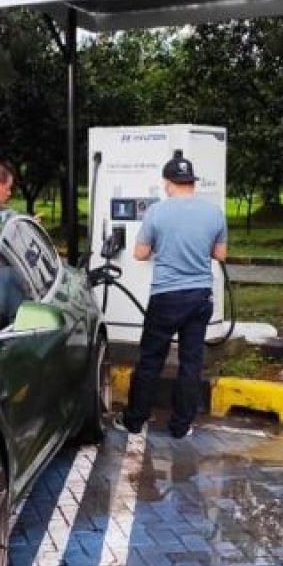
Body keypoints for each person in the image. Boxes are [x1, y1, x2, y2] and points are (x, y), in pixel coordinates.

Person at [115, 152, 228, 440]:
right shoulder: (214, 213)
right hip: (199, 296)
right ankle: (180, 426)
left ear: (168, 183)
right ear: (192, 182)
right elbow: (220, 254)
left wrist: (160, 247)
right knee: (191, 363)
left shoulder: (157, 212)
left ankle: (134, 421)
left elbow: (140, 253)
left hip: (166, 296)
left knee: (151, 360)